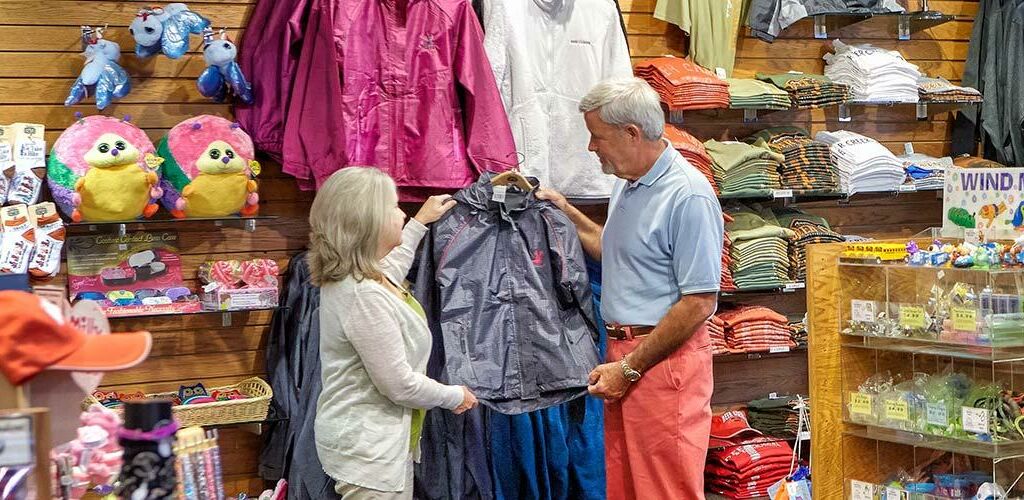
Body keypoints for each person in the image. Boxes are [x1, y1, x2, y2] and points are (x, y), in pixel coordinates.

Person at [537, 77, 724, 499]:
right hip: (625, 357)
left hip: (662, 361)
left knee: (664, 488)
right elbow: (613, 250)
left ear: (631, 133)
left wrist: (631, 367)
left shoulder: (688, 195)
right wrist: (564, 211)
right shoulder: (628, 182)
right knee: (623, 486)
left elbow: (698, 302)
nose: (591, 147)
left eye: (597, 136)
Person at [307, 167, 479, 499]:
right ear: (367, 220)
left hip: (369, 443)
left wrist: (419, 223)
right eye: (393, 206)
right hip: (367, 451)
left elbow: (390, 271)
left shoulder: (360, 277)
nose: (401, 212)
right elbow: (398, 384)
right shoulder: (362, 294)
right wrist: (455, 396)